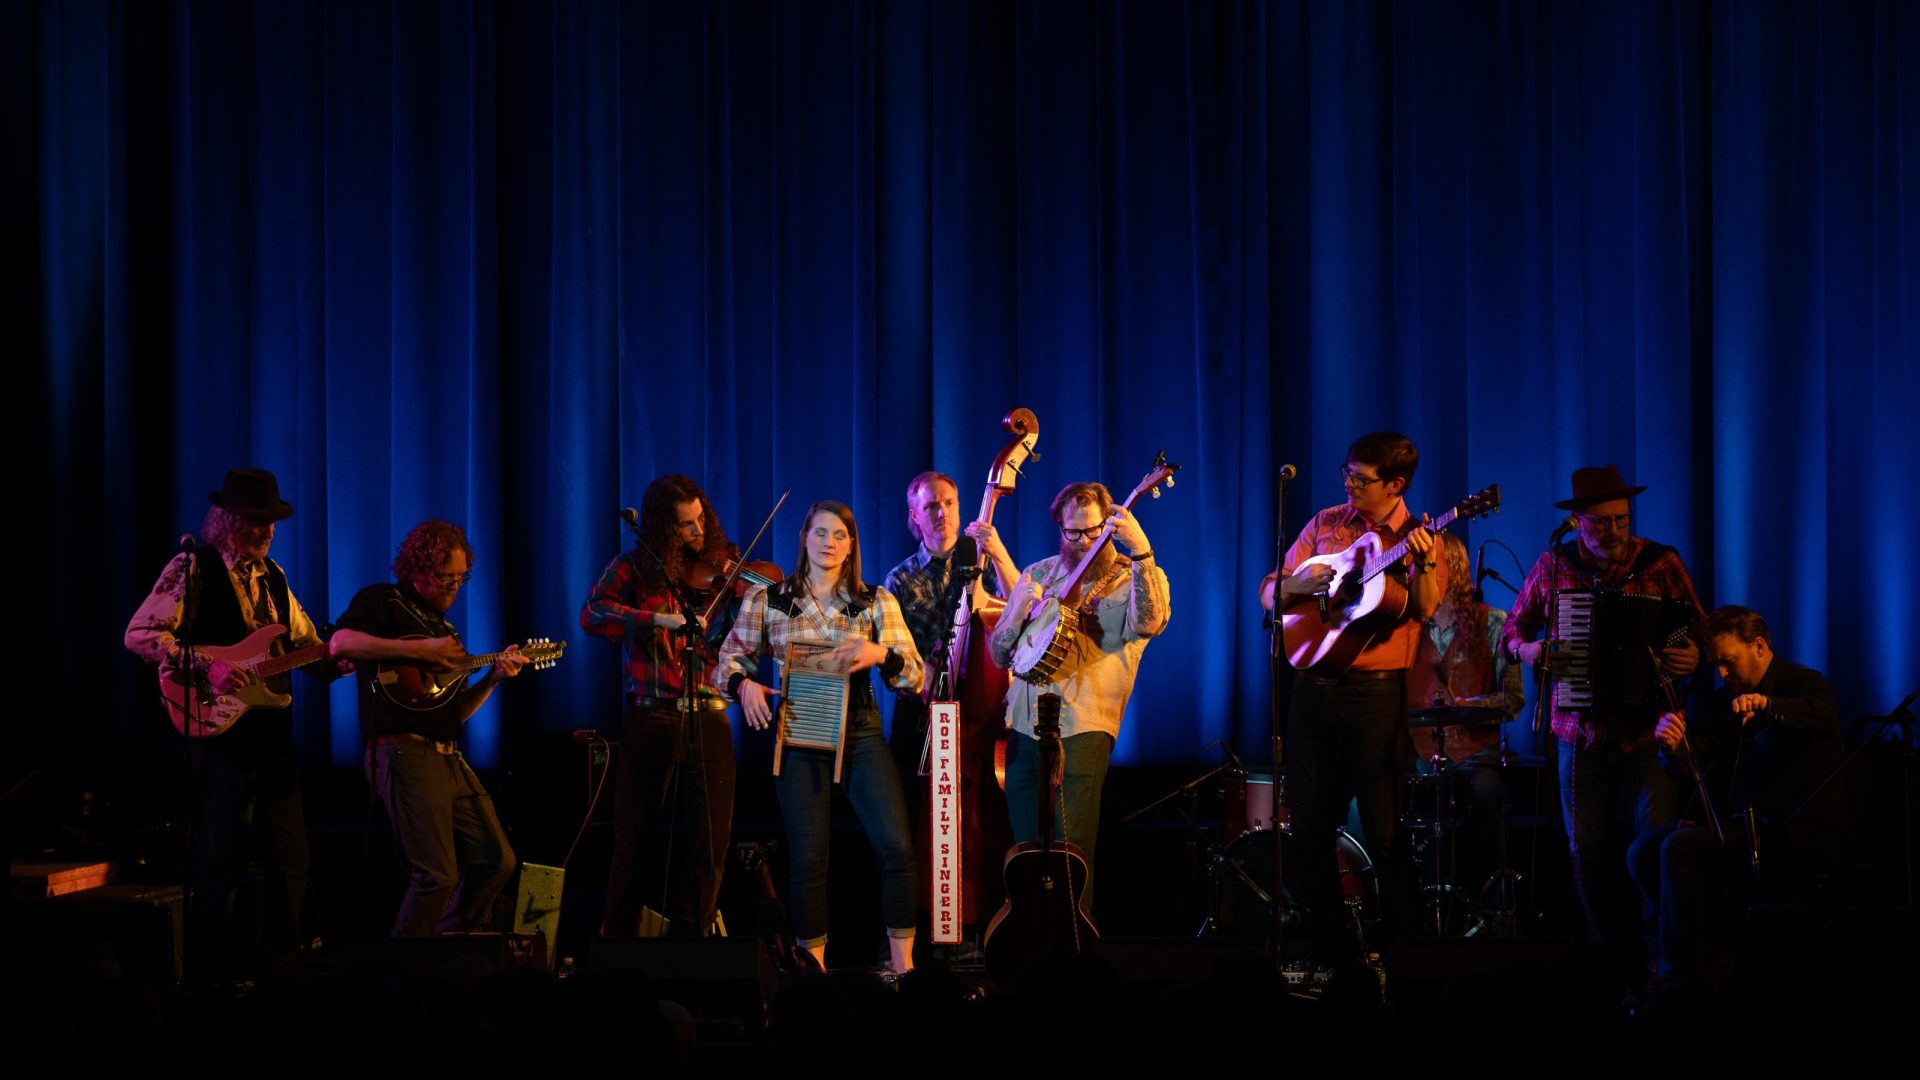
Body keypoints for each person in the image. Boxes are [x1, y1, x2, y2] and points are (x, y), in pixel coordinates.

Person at [124, 467, 326, 982]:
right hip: (219, 735)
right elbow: (141, 633)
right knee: (223, 863)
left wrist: (343, 656)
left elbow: (305, 643)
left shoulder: (274, 576)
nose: (268, 530)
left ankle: (285, 974)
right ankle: (212, 981)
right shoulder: (192, 566)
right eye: (257, 520)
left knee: (292, 861)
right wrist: (205, 664)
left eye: (272, 521)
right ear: (229, 520)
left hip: (272, 739)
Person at [1501, 464, 1702, 977]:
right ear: (1578, 523)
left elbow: (1698, 630)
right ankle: (1606, 959)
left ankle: (1661, 961)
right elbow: (1511, 633)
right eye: (1602, 522)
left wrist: (1693, 655)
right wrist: (1531, 650)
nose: (1614, 531)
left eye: (1621, 520)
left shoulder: (1660, 562)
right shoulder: (1554, 565)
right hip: (1579, 731)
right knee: (1584, 850)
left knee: (1655, 844)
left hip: (1648, 730)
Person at [716, 500, 925, 974]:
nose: (829, 543)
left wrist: (880, 654)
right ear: (804, 538)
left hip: (861, 732)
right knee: (809, 859)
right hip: (799, 734)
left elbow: (914, 676)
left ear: (851, 547)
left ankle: (903, 971)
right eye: (820, 533)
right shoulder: (768, 599)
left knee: (897, 848)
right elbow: (727, 662)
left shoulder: (875, 600)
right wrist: (743, 685)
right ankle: (813, 975)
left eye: (839, 535)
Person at [1260, 431, 1442, 959]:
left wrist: (1426, 563)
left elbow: (1425, 608)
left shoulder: (1416, 536)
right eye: (1348, 473)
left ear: (1395, 484)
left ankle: (1407, 950)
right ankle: (1332, 950)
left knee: (1384, 829)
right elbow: (1271, 588)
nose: (1349, 485)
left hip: (1374, 697)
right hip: (1312, 689)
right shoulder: (1326, 523)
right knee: (1308, 826)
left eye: (1361, 479)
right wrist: (1303, 587)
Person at [1628, 605, 1845, 986]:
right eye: (1717, 666)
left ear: (1759, 646)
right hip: (1736, 825)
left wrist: (1767, 705)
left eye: (1728, 662)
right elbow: (1700, 763)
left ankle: (1681, 975)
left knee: (1678, 849)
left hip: (1785, 830)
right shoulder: (1722, 702)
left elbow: (1825, 714)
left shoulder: (1800, 682)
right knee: (1642, 851)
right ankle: (1705, 949)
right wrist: (1674, 746)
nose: (1723, 674)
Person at [330, 519, 525, 937]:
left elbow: (454, 712)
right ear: (418, 569)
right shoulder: (383, 601)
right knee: (436, 875)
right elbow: (341, 643)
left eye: (461, 578)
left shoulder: (445, 630)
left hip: (448, 757)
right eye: (445, 577)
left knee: (497, 861)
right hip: (403, 753)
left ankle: (443, 943)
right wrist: (421, 649)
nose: (455, 587)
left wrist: (493, 679)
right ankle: (403, 967)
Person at [990, 481, 1170, 911]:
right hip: (1023, 727)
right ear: (1060, 528)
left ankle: (1072, 942)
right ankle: (1030, 937)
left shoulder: (1132, 576)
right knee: (1025, 852)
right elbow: (998, 653)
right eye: (1074, 532)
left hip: (1083, 727)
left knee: (1071, 852)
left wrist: (1142, 551)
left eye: (1094, 530)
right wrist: (1015, 611)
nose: (1086, 541)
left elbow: (1147, 623)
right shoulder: (1039, 573)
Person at [581, 474, 742, 937]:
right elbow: (592, 614)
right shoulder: (633, 567)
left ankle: (691, 944)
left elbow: (747, 637)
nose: (698, 531)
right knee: (635, 840)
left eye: (701, 519)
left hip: (709, 712)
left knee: (711, 842)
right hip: (652, 713)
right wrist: (656, 619)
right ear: (662, 528)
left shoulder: (721, 568)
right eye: (686, 525)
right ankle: (618, 945)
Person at [882, 471, 1020, 948]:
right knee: (915, 825)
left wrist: (997, 554)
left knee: (987, 822)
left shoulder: (980, 564)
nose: (941, 513)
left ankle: (985, 921)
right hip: (922, 713)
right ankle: (922, 930)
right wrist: (924, 670)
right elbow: (895, 650)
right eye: (930, 506)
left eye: (949, 502)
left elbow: (1024, 609)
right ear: (914, 517)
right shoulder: (900, 578)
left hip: (980, 717)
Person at [1404, 531, 1525, 924]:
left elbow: (1512, 699)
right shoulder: (1406, 630)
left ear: (1451, 569)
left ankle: (1485, 903)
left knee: (1485, 793)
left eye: (1427, 565)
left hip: (1476, 755)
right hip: (1421, 755)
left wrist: (1463, 708)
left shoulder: (1495, 623)